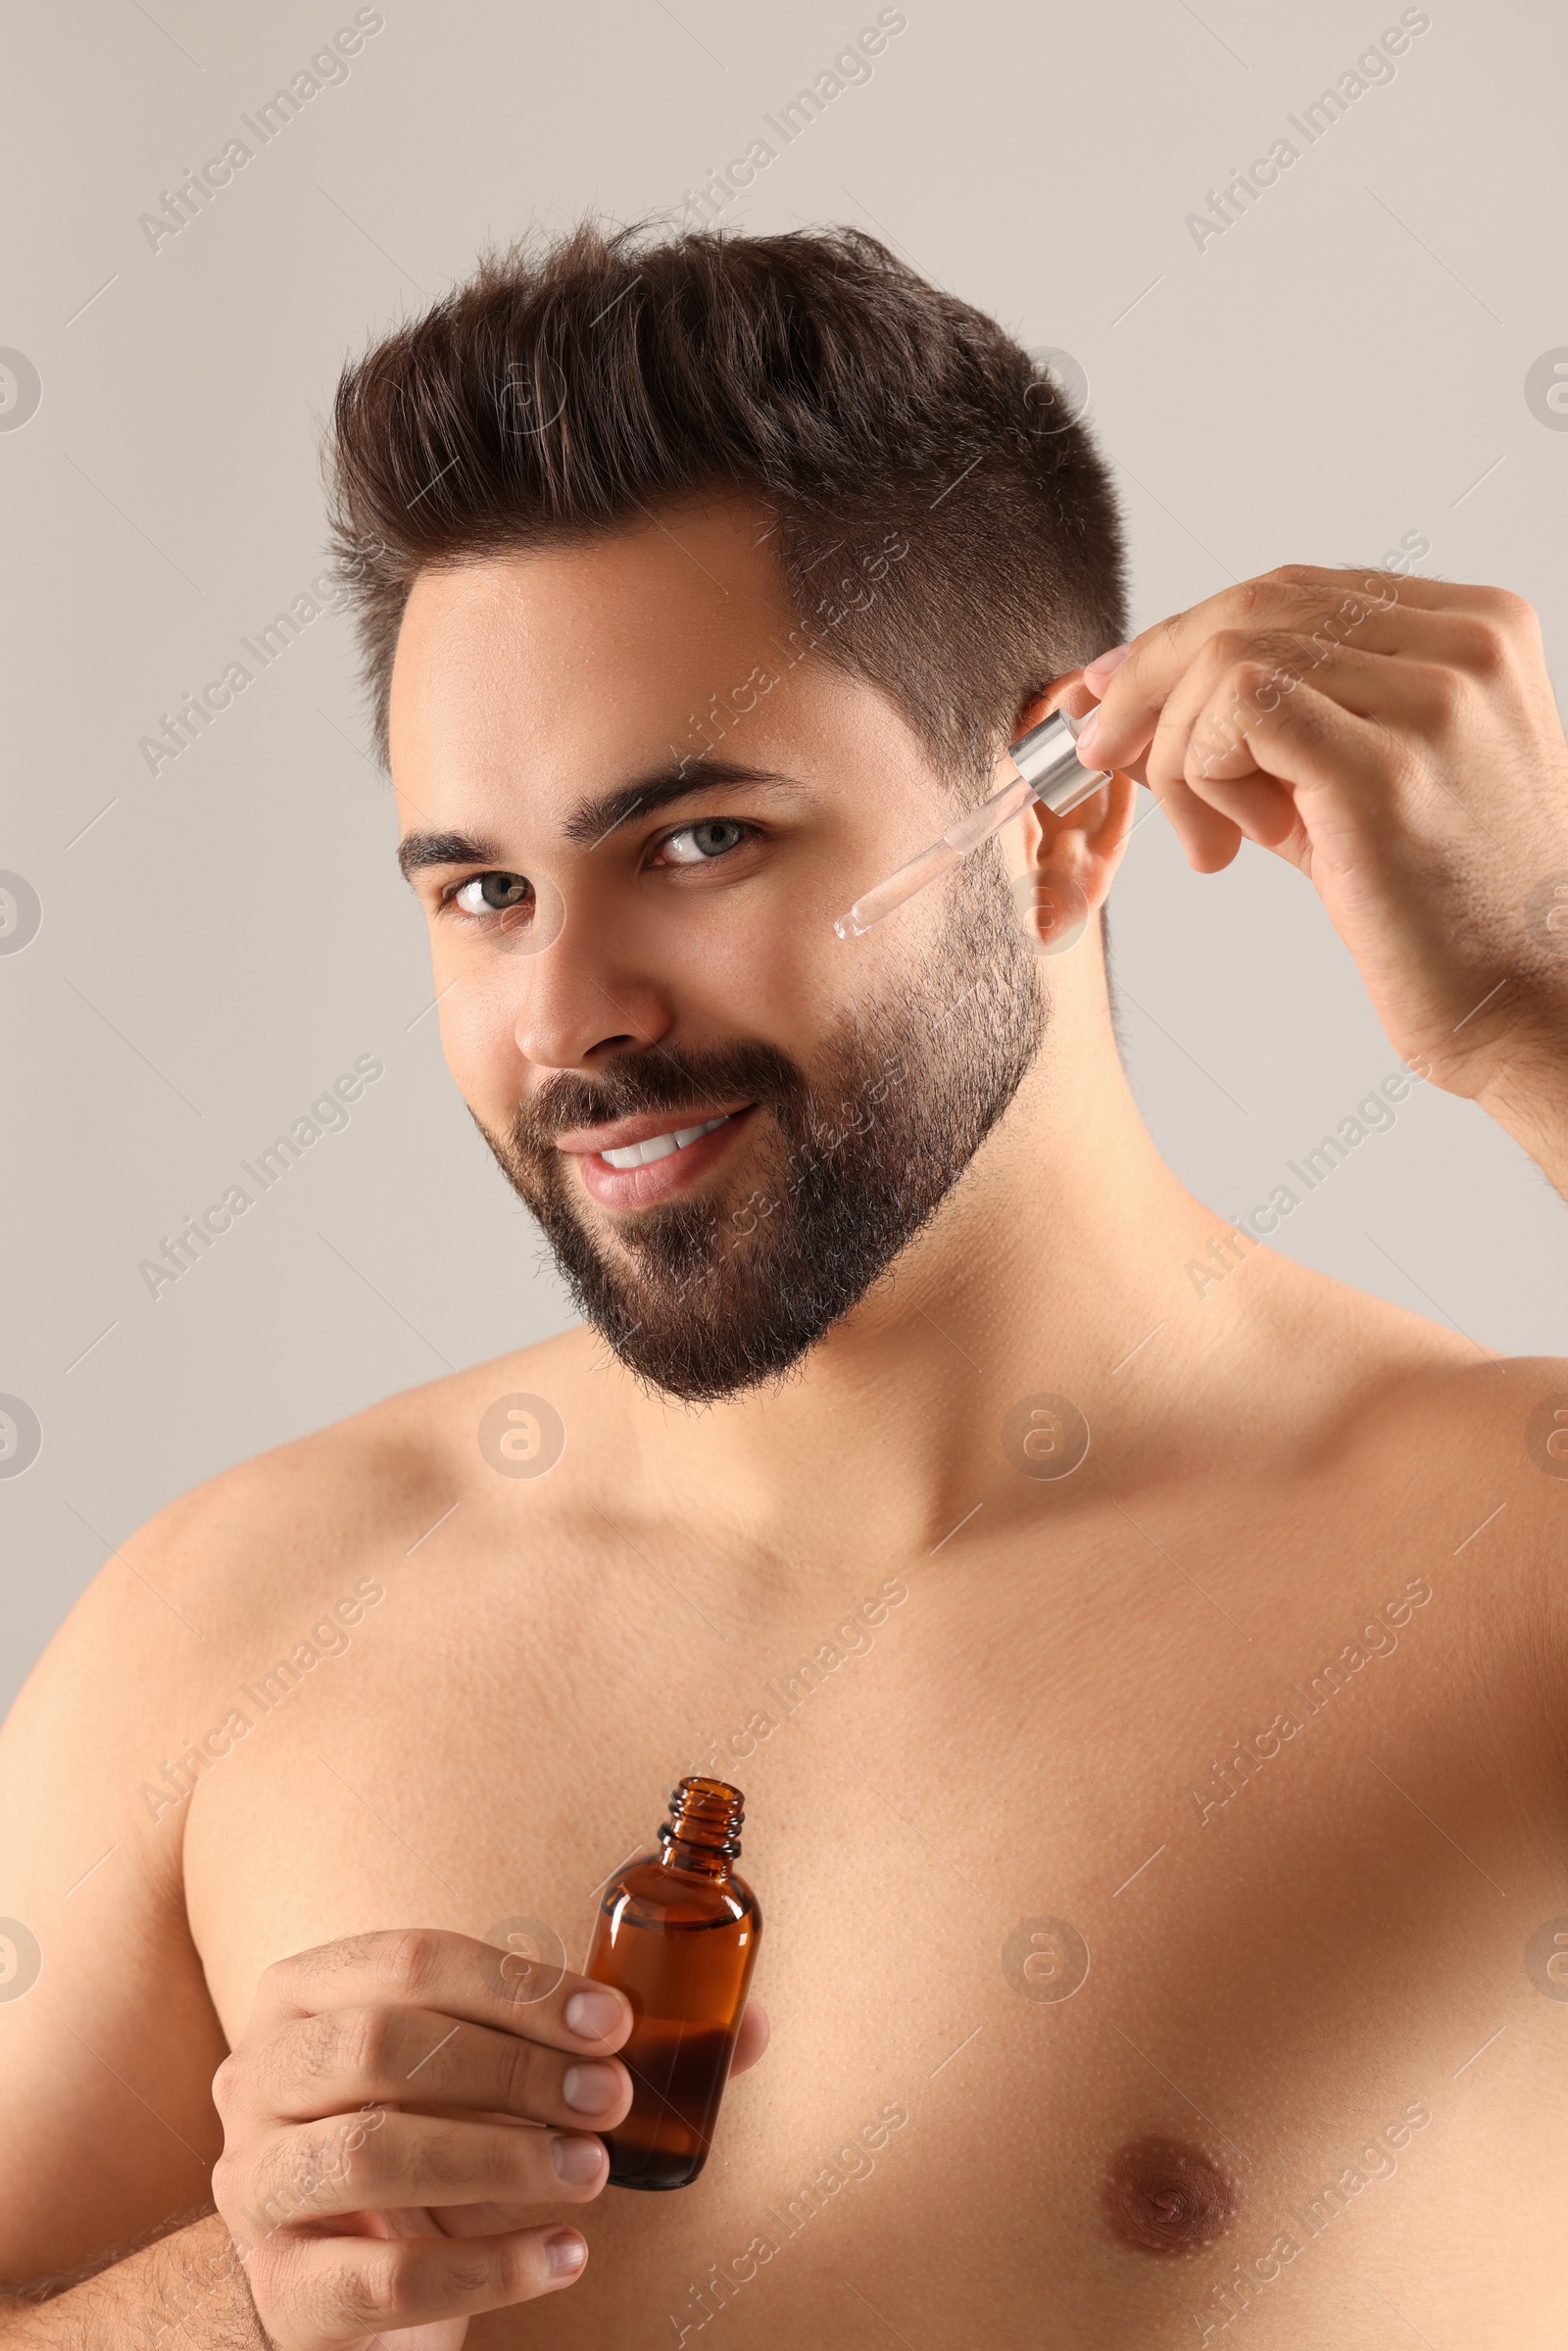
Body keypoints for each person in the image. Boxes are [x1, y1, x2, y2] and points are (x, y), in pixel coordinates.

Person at [3, 219, 1567, 2351]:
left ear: (1059, 820)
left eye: (697, 842)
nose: (566, 1017)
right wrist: (231, 2303)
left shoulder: (1505, 1556)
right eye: (479, 888)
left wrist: (1537, 1015)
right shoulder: (229, 1631)